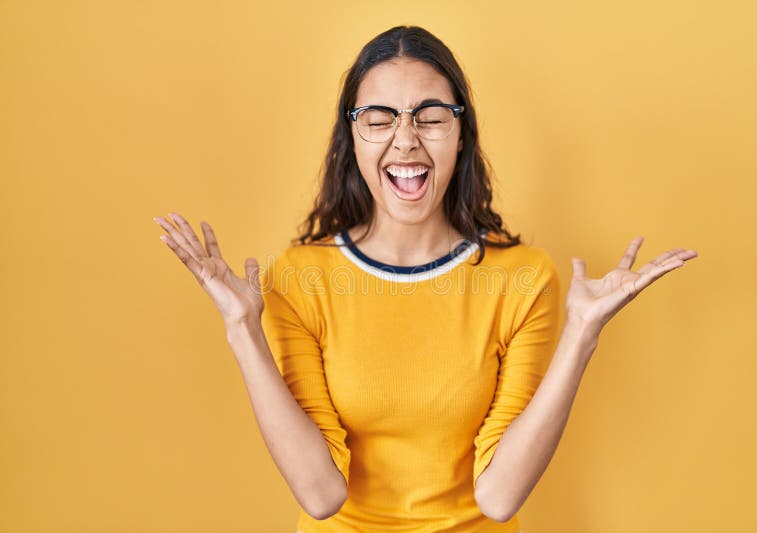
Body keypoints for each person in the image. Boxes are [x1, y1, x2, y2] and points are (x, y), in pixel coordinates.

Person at [153, 25, 698, 533]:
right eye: (380, 117)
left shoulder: (523, 279)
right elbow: (319, 495)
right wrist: (242, 328)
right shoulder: (299, 279)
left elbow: (501, 497)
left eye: (431, 116)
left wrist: (582, 332)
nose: (407, 139)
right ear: (353, 137)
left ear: (461, 134)